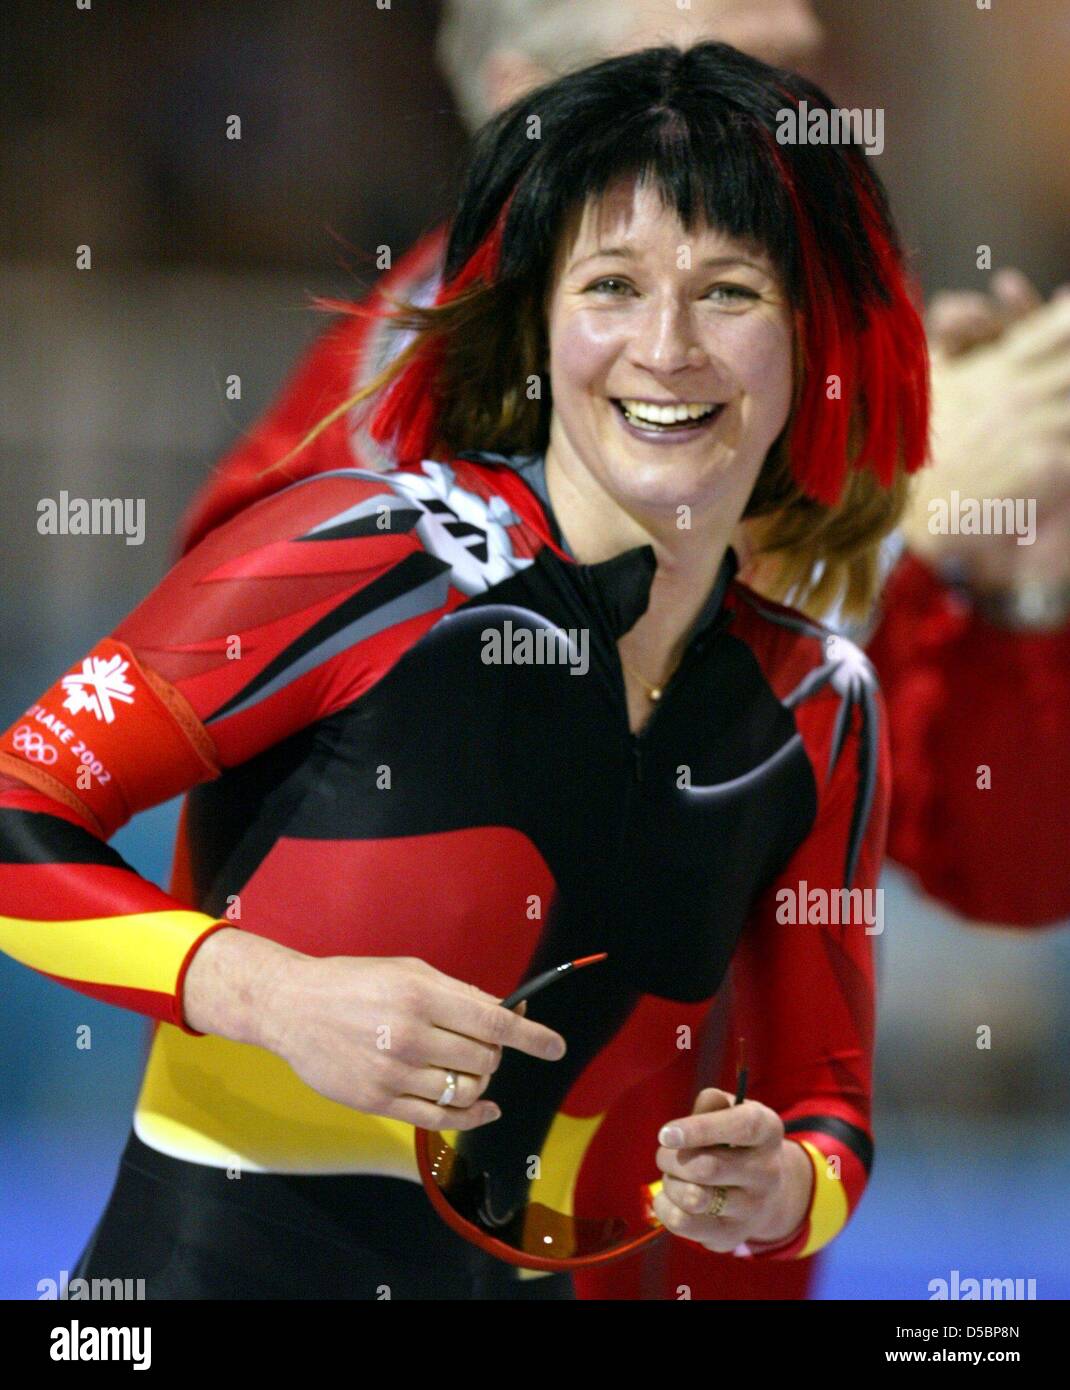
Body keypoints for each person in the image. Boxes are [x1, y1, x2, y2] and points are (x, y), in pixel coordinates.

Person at [0, 41, 929, 1299]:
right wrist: (265, 994)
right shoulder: (360, 552)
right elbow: (17, 811)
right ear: (538, 315)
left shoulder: (820, 704)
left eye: (728, 292)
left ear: (811, 338)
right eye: (611, 283)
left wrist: (779, 1189)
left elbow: (830, 1104)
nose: (666, 347)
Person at [178, 0, 1070, 937]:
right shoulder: (360, 441)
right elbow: (504, 849)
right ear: (527, 113)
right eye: (714, 82)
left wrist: (1019, 585)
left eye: (804, 94)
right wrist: (907, 520)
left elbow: (1009, 876)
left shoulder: (811, 363)